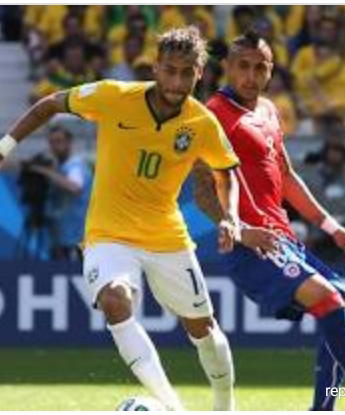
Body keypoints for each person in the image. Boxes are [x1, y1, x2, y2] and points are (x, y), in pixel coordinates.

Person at [0, 26, 242, 411]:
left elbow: (225, 172)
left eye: (186, 73)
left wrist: (230, 217)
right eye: (169, 70)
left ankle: (225, 407)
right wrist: (5, 146)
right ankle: (173, 408)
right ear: (155, 67)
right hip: (108, 234)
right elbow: (49, 105)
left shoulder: (202, 123)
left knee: (204, 332)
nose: (176, 82)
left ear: (200, 74)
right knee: (115, 301)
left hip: (167, 236)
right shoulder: (114, 96)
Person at [194, 31, 345, 411]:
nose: (251, 75)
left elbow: (286, 177)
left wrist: (334, 228)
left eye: (260, 68)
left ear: (270, 71)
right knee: (330, 300)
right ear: (227, 67)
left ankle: (322, 409)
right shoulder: (214, 114)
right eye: (243, 66)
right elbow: (204, 187)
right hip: (252, 246)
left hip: (284, 240)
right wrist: (239, 230)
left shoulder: (269, 111)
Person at [31, 125, 92, 260]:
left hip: (77, 235)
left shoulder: (75, 165)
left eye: (59, 141)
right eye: (51, 142)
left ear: (69, 142)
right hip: (60, 234)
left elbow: (75, 188)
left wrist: (47, 172)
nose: (54, 146)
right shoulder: (58, 166)